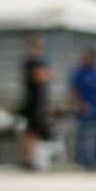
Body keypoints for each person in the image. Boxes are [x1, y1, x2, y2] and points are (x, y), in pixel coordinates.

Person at [18, 35, 54, 170]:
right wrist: (46, 74)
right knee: (31, 132)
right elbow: (40, 77)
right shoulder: (31, 61)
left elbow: (47, 76)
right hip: (33, 102)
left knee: (32, 132)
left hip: (39, 102)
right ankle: (29, 159)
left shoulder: (39, 62)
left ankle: (31, 159)